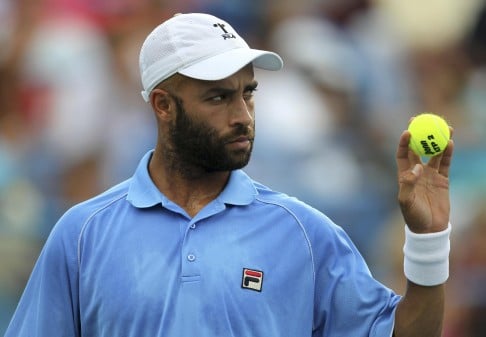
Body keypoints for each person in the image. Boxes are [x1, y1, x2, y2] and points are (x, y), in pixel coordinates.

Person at [5, 13, 454, 337]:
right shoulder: (82, 234)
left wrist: (428, 242)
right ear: (163, 105)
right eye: (218, 98)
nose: (243, 116)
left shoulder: (304, 232)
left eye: (248, 94)